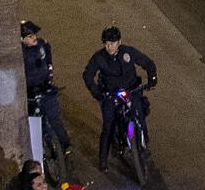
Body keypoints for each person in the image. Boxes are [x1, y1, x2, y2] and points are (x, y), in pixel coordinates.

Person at [81, 28, 159, 173]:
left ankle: (144, 144)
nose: (109, 46)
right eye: (106, 43)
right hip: (110, 95)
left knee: (139, 113)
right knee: (108, 125)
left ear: (119, 42)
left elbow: (147, 62)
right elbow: (88, 75)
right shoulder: (99, 57)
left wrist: (152, 79)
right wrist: (98, 93)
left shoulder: (128, 52)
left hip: (131, 90)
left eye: (112, 43)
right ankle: (103, 159)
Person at [20, 23, 71, 172]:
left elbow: (48, 60)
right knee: (35, 125)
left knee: (55, 120)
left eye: (35, 35)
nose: (34, 38)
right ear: (23, 39)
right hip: (29, 93)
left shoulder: (42, 45)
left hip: (45, 89)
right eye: (30, 36)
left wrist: (49, 77)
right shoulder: (20, 53)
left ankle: (66, 146)